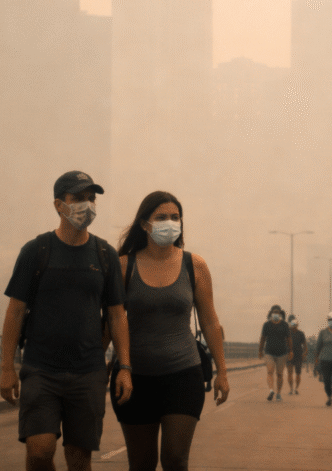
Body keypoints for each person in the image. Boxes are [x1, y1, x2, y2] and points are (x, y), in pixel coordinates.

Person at [0, 171, 132, 471]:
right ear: (59, 205)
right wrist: (7, 368)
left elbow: (116, 315)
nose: (87, 205)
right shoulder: (36, 251)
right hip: (41, 369)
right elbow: (15, 311)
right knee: (39, 451)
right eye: (79, 198)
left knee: (78, 457)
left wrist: (124, 366)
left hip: (88, 372)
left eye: (91, 198)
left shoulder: (104, 255)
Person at [109, 190, 229, 471]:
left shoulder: (194, 265)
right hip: (134, 377)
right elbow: (112, 320)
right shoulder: (124, 265)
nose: (170, 222)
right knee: (142, 462)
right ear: (144, 224)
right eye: (161, 217)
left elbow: (210, 321)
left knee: (175, 458)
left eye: (175, 217)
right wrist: (99, 368)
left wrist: (222, 371)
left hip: (183, 374)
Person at [258, 304, 292, 401]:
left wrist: (291, 351)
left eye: (277, 312)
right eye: (274, 312)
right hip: (269, 352)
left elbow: (289, 339)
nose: (275, 314)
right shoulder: (267, 325)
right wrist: (260, 350)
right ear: (271, 314)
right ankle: (271, 390)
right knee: (270, 371)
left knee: (279, 374)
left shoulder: (284, 325)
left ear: (280, 314)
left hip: (282, 353)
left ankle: (278, 393)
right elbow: (263, 339)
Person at [286, 315, 307, 395]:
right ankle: (291, 388)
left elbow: (305, 345)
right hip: (289, 355)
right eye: (292, 325)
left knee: (298, 373)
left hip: (298, 356)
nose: (293, 326)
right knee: (290, 373)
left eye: (295, 325)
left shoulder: (301, 334)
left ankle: (296, 388)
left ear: (297, 325)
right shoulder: (287, 334)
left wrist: (305, 353)